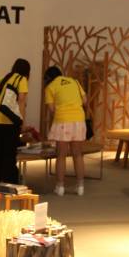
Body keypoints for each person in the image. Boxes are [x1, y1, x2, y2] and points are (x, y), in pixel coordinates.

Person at [43, 65, 89, 196]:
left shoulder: (50, 87)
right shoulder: (75, 82)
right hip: (79, 120)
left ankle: (60, 187)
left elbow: (52, 109)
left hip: (63, 120)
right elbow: (85, 101)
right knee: (78, 155)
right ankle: (80, 187)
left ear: (49, 78)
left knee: (61, 155)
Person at [0, 58, 30, 183]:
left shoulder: (0, 80)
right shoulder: (21, 79)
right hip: (9, 120)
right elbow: (21, 101)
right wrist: (22, 122)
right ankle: (8, 181)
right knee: (9, 153)